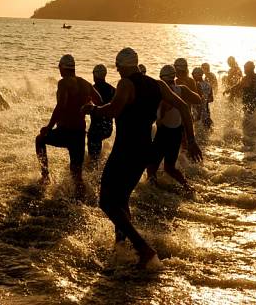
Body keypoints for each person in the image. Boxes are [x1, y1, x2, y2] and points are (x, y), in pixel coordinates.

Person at [83, 47, 202, 269]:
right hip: (144, 149)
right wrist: (192, 140)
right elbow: (185, 106)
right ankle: (120, 247)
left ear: (124, 66)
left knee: (107, 201)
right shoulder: (158, 84)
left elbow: (113, 110)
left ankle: (143, 249)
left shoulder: (126, 84)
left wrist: (93, 109)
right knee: (122, 199)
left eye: (118, 67)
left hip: (126, 149)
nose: (117, 71)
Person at [35, 54, 101, 193]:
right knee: (77, 175)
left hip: (65, 131)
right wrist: (88, 105)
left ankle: (45, 176)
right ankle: (81, 201)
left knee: (40, 139)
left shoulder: (63, 82)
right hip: (79, 133)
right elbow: (99, 101)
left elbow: (61, 105)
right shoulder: (85, 83)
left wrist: (49, 127)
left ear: (62, 68)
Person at [146, 64, 202, 190]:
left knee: (151, 166)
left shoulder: (163, 93)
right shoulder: (182, 89)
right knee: (169, 167)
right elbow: (198, 99)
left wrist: (159, 118)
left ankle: (152, 191)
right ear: (174, 77)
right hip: (177, 132)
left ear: (162, 78)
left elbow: (161, 114)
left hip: (164, 133)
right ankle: (188, 188)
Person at [87, 64, 116, 165]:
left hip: (96, 128)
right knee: (98, 144)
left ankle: (94, 174)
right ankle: (101, 164)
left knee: (93, 157)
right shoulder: (113, 90)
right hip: (108, 128)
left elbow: (86, 107)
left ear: (95, 75)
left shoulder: (92, 89)